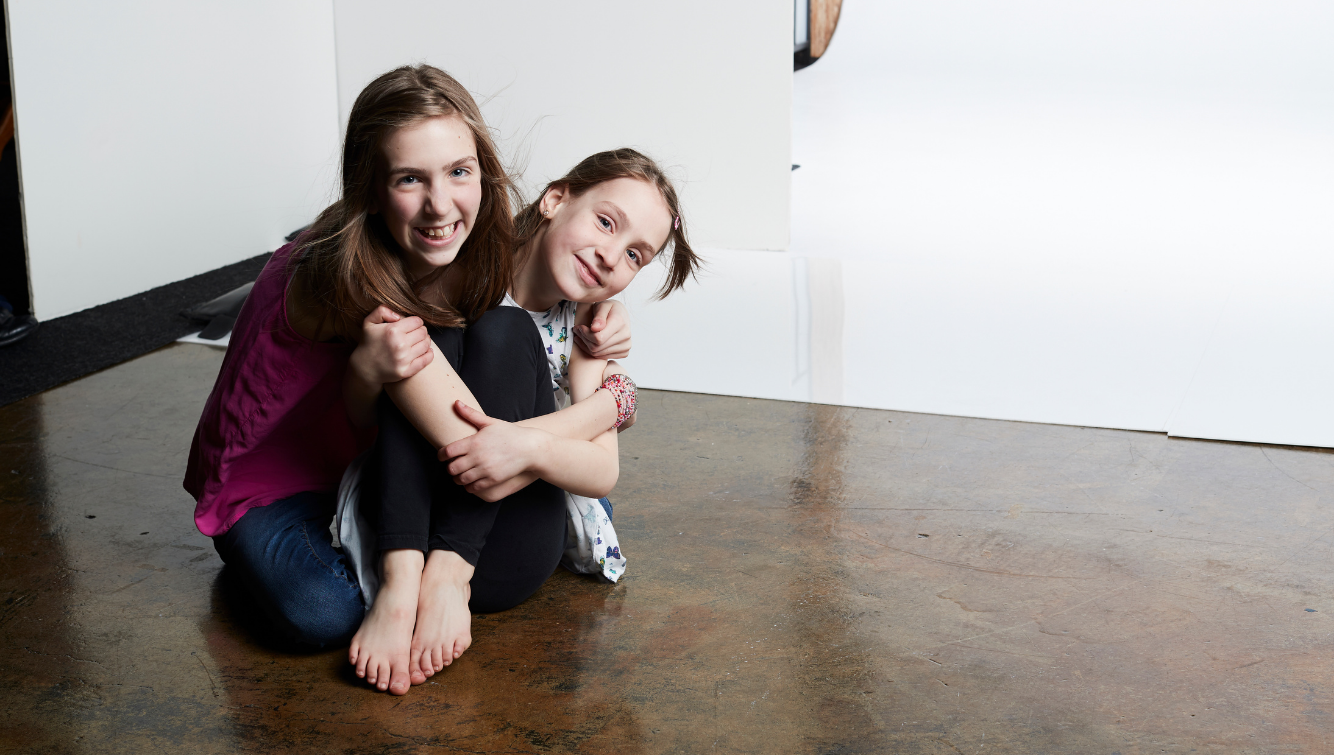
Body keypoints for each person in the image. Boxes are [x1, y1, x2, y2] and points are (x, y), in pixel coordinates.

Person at [183, 65, 631, 657]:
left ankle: (429, 568)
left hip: (370, 455)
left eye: (459, 172)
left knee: (497, 336)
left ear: (483, 171)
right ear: (370, 190)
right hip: (273, 482)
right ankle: (396, 576)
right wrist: (609, 407)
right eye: (410, 179)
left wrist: (601, 318)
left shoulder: (457, 246)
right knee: (323, 614)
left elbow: (534, 285)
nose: (439, 205)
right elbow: (476, 443)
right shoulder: (350, 274)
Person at [346, 149, 700, 695]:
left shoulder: (587, 328)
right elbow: (371, 417)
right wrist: (611, 403)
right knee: (426, 335)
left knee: (507, 330)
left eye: (635, 255)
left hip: (503, 548)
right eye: (606, 223)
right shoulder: (455, 264)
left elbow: (602, 472)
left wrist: (526, 446)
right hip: (406, 523)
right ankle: (400, 584)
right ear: (555, 199)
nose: (611, 257)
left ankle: (448, 576)